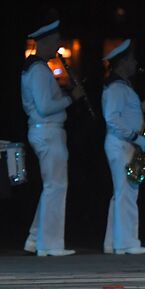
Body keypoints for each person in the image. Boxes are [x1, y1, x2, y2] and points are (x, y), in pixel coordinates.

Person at [22, 20, 87, 257]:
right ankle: (49, 245)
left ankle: (34, 238)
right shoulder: (38, 70)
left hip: (45, 130)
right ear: (45, 42)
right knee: (56, 186)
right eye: (56, 41)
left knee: (51, 186)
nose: (59, 46)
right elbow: (46, 106)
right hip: (47, 130)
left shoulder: (38, 68)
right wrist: (72, 98)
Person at [100, 39, 145, 255]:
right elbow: (112, 118)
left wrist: (141, 108)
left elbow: (121, 113)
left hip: (124, 144)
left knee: (121, 193)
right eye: (131, 59)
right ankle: (127, 243)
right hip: (122, 144)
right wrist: (135, 136)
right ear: (122, 62)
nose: (135, 63)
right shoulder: (115, 87)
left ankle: (113, 242)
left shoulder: (120, 86)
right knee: (127, 192)